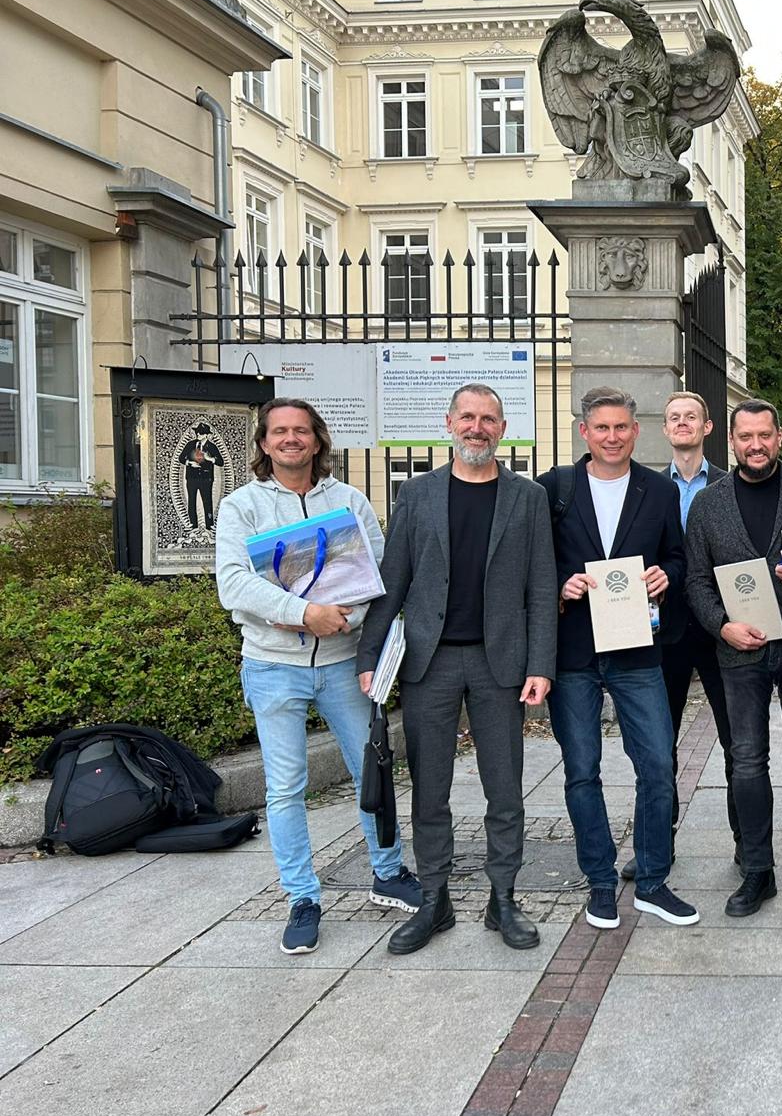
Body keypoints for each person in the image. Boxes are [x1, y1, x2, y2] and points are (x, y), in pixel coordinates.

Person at [358, 384, 557, 955]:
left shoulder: (528, 498)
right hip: (430, 662)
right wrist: (370, 657)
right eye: (467, 417)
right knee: (430, 790)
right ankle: (435, 899)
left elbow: (542, 586)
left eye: (488, 419)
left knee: (505, 790)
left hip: (500, 664)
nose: (477, 427)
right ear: (449, 423)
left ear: (503, 429)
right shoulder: (416, 494)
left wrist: (541, 663)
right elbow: (393, 580)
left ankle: (503, 899)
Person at [216, 399, 421, 956]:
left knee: (372, 770)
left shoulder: (349, 500)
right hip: (273, 665)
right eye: (280, 431)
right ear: (264, 443)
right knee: (285, 788)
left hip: (343, 662)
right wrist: (304, 613)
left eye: (301, 431)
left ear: (317, 440)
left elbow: (379, 577)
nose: (291, 439)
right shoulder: (241, 506)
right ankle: (302, 898)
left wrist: (345, 619)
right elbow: (233, 583)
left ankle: (387, 872)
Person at [537, 386, 699, 930]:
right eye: (602, 428)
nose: (612, 437)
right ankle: (600, 883)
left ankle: (652, 881)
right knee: (582, 770)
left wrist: (665, 576)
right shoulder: (555, 488)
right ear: (584, 432)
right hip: (573, 652)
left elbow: (677, 556)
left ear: (636, 431)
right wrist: (561, 585)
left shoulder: (659, 491)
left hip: (636, 647)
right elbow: (533, 562)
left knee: (657, 765)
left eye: (622, 427)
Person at [684, 400, 782, 919]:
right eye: (745, 436)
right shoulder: (708, 504)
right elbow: (696, 580)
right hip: (739, 649)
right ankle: (757, 870)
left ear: (779, 437)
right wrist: (722, 625)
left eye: (764, 435)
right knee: (746, 759)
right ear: (731, 441)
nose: (755, 445)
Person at [620, 390, 736, 880]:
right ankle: (656, 845)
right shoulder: (644, 489)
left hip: (719, 626)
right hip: (661, 629)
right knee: (656, 745)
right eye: (674, 417)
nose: (683, 422)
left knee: (737, 742)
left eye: (692, 416)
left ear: (707, 427)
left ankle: (747, 846)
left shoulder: (729, 486)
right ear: (664, 429)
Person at [182, 424, 222, 530]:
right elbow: (181, 458)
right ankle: (192, 524)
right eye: (197, 432)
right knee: (191, 501)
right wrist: (189, 463)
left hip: (206, 479)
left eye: (201, 432)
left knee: (207, 501)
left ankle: (210, 524)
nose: (198, 434)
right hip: (192, 478)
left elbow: (221, 462)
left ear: (207, 435)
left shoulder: (212, 447)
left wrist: (210, 459)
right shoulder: (190, 444)